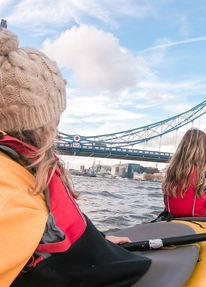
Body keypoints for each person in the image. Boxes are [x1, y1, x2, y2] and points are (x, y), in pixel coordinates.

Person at [0, 22, 152, 286]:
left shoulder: (24, 165)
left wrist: (95, 241)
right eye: (57, 110)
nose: (60, 119)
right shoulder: (9, 195)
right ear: (44, 119)